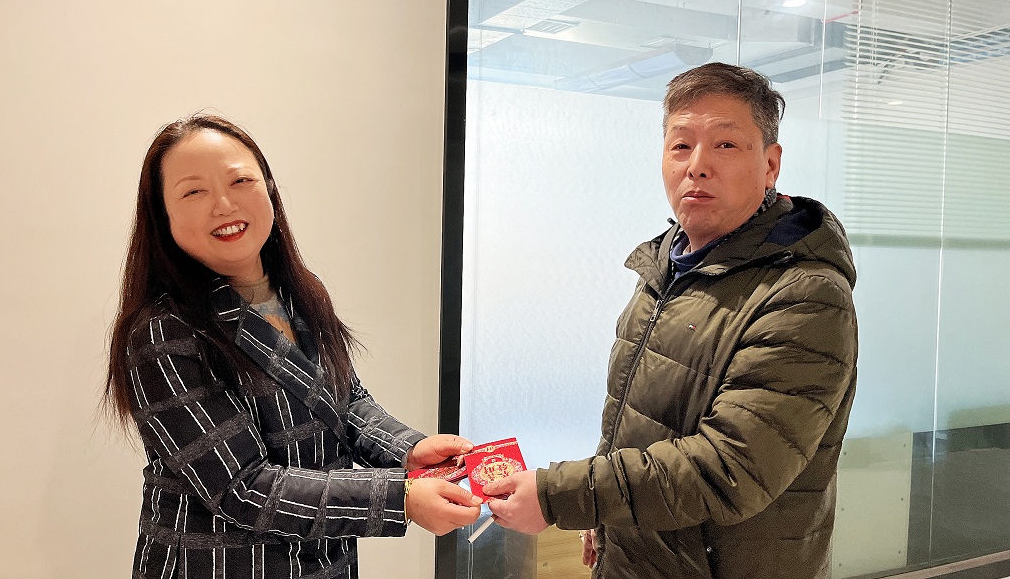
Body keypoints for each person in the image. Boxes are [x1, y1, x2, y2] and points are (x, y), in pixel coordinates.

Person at [483, 62, 858, 578]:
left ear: (771, 165)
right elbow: (634, 416)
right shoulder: (667, 266)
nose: (697, 165)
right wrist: (602, 516)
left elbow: (731, 468)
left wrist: (561, 497)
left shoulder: (806, 295)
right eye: (681, 145)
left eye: (725, 144)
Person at [105, 114, 481, 579]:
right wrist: (399, 497)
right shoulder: (164, 331)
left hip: (324, 561)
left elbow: (345, 401)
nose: (224, 204)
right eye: (194, 192)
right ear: (163, 216)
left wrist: (410, 449)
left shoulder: (301, 292)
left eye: (240, 180)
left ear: (269, 188)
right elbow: (242, 488)